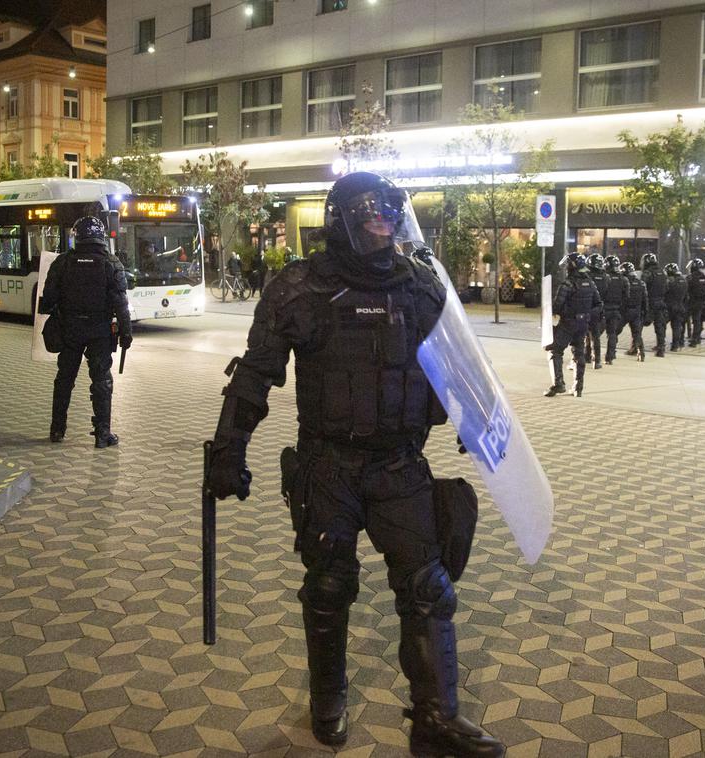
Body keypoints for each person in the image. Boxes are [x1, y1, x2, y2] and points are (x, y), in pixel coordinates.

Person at [206, 172, 505, 757]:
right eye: (370, 213)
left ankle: (437, 720)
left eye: (391, 211)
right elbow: (256, 373)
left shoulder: (420, 286)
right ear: (341, 219)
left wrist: (481, 423)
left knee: (429, 589)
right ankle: (328, 698)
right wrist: (229, 447)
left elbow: (460, 366)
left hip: (400, 465)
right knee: (328, 587)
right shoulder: (298, 289)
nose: (384, 222)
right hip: (329, 466)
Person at [38, 216, 131, 447]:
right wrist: (126, 333)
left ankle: (57, 429)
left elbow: (47, 299)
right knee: (102, 381)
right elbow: (121, 303)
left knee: (64, 380)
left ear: (76, 236)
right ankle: (102, 434)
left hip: (70, 330)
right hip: (100, 332)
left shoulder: (62, 262)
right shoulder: (112, 263)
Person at [546, 253, 601, 397]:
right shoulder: (590, 283)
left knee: (555, 351)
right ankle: (578, 388)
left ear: (571, 267)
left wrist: (555, 312)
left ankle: (558, 384)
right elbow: (598, 304)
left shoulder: (567, 284)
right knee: (578, 353)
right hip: (583, 324)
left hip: (568, 323)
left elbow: (557, 306)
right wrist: (586, 314)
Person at [640, 252, 667, 357]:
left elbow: (643, 288)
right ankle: (661, 348)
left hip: (649, 303)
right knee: (660, 327)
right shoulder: (662, 272)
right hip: (660, 302)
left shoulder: (647, 273)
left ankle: (636, 347)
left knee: (638, 326)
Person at [585, 253, 609, 369]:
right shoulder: (606, 277)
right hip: (599, 309)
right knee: (595, 336)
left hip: (586, 308)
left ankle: (585, 356)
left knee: (582, 334)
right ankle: (597, 360)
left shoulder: (587, 276)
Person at [602, 254, 627, 365]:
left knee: (595, 333)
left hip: (604, 310)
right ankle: (610, 356)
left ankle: (591, 355)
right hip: (616, 310)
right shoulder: (623, 279)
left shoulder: (605, 277)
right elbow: (626, 296)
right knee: (612, 333)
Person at [621, 261, 648, 361]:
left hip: (625, 312)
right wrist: (645, 312)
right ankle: (641, 354)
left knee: (613, 332)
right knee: (637, 334)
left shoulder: (623, 282)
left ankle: (610, 355)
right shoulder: (641, 283)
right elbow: (645, 299)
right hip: (637, 312)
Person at [664, 262, 688, 352]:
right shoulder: (684, 280)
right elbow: (686, 295)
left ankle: (661, 344)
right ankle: (675, 345)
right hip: (680, 306)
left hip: (669, 307)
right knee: (677, 327)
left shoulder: (669, 281)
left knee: (662, 326)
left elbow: (665, 292)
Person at [686, 258, 705, 347]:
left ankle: (682, 339)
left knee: (683, 320)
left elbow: (686, 289)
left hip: (691, 302)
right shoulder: (704, 277)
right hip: (701, 302)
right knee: (697, 320)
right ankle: (696, 338)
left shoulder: (691, 277)